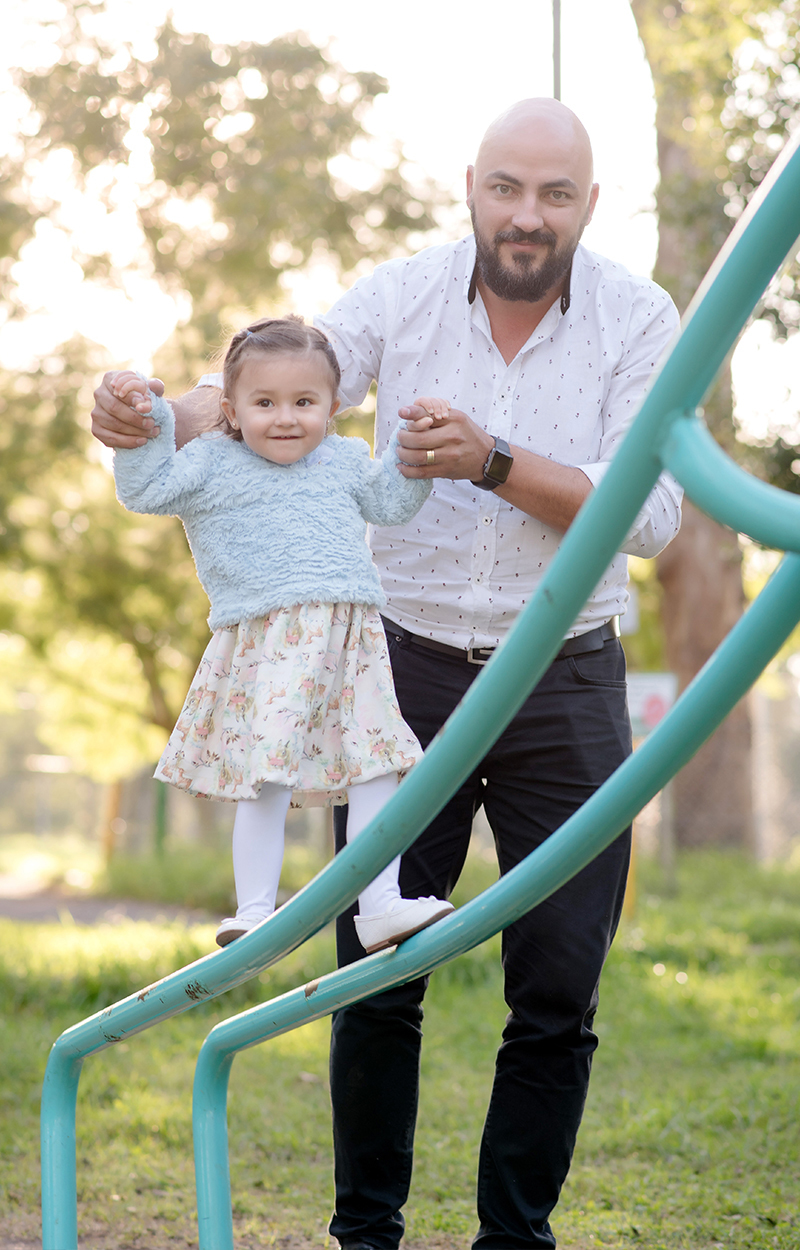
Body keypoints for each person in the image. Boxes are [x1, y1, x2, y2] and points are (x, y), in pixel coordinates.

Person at [92, 99, 682, 1249]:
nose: (525, 214)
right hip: (396, 665)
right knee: (371, 966)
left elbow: (649, 514)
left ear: (588, 205)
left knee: (558, 985)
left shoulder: (637, 316)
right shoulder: (403, 294)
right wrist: (155, 412)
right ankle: (365, 1231)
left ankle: (514, 1237)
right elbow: (273, 378)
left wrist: (493, 461)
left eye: (553, 194)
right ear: (470, 185)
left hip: (561, 680)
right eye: (505, 187)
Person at [111, 315, 453, 953]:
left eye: (305, 402)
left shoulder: (346, 459)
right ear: (232, 409)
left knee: (377, 766)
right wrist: (150, 429)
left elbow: (391, 505)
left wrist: (415, 453)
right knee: (267, 773)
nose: (286, 417)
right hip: (268, 642)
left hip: (351, 639)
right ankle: (253, 910)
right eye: (264, 403)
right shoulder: (212, 460)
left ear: (331, 407)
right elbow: (147, 490)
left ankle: (380, 904)